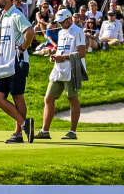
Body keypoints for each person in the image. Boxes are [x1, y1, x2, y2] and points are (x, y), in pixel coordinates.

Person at [0, 0, 35, 143]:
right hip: (3, 62)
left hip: (17, 62)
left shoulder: (16, 14)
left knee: (17, 96)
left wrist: (23, 48)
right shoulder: (3, 15)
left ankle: (18, 133)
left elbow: (30, 32)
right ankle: (24, 124)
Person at [35, 8, 86, 140]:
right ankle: (45, 131)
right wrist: (54, 56)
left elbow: (82, 53)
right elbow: (61, 51)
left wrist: (63, 57)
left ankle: (72, 132)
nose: (60, 24)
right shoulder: (61, 32)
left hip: (72, 69)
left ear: (69, 19)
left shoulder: (78, 31)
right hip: (59, 69)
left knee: (72, 99)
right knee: (48, 98)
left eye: (62, 22)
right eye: (59, 22)